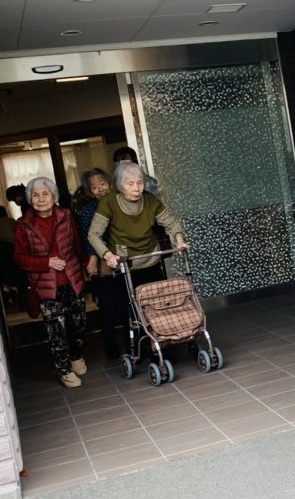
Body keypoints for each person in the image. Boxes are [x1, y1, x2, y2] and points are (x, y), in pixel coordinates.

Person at [87, 161, 188, 351]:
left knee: (158, 306)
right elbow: (93, 234)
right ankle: (139, 350)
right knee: (133, 309)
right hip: (127, 265)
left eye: (140, 182)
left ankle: (162, 347)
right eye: (130, 183)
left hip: (151, 260)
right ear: (120, 185)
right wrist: (107, 255)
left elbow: (172, 222)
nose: (137, 188)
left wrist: (179, 240)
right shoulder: (109, 202)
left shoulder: (150, 200)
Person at [14, 177, 95, 388]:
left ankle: (76, 356)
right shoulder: (23, 225)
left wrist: (87, 262)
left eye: (45, 194)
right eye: (35, 195)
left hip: (72, 280)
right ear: (30, 199)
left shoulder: (66, 216)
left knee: (78, 324)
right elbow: (20, 258)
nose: (41, 199)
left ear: (55, 197)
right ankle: (64, 370)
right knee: (56, 331)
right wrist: (46, 262)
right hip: (46, 287)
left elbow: (76, 244)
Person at [76, 168, 122, 359]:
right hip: (104, 261)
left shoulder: (121, 202)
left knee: (128, 302)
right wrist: (93, 257)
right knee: (107, 305)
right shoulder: (88, 211)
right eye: (94, 187)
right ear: (89, 192)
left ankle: (136, 342)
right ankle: (111, 346)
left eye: (102, 184)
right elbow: (88, 237)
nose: (100, 189)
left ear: (110, 183)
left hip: (124, 258)